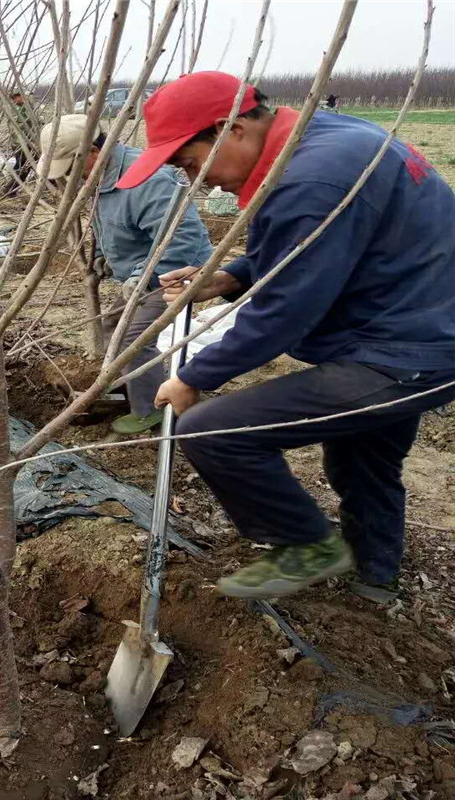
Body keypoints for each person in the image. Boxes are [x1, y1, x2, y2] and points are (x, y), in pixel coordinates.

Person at [115, 71, 455, 603]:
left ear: (231, 128)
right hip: (416, 324)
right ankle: (375, 579)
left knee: (211, 430)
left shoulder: (308, 180)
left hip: (406, 349)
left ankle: (308, 548)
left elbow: (284, 312)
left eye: (188, 163)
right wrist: (232, 275)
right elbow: (324, 245)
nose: (198, 183)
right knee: (361, 456)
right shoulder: (325, 139)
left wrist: (193, 377)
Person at [37, 114, 213, 435]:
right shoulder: (103, 178)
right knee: (112, 327)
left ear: (91, 151)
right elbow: (114, 225)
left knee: (135, 341)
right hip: (140, 274)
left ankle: (153, 411)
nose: (70, 178)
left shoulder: (145, 180)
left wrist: (141, 275)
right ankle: (130, 386)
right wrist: (105, 256)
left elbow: (181, 239)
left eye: (71, 167)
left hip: (175, 272)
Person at [4, 91, 37, 196]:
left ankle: (11, 189)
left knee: (27, 167)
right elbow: (25, 121)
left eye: (18, 97)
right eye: (15, 98)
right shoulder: (17, 110)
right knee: (24, 167)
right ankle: (10, 189)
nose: (16, 100)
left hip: (29, 143)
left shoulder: (27, 107)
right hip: (21, 144)